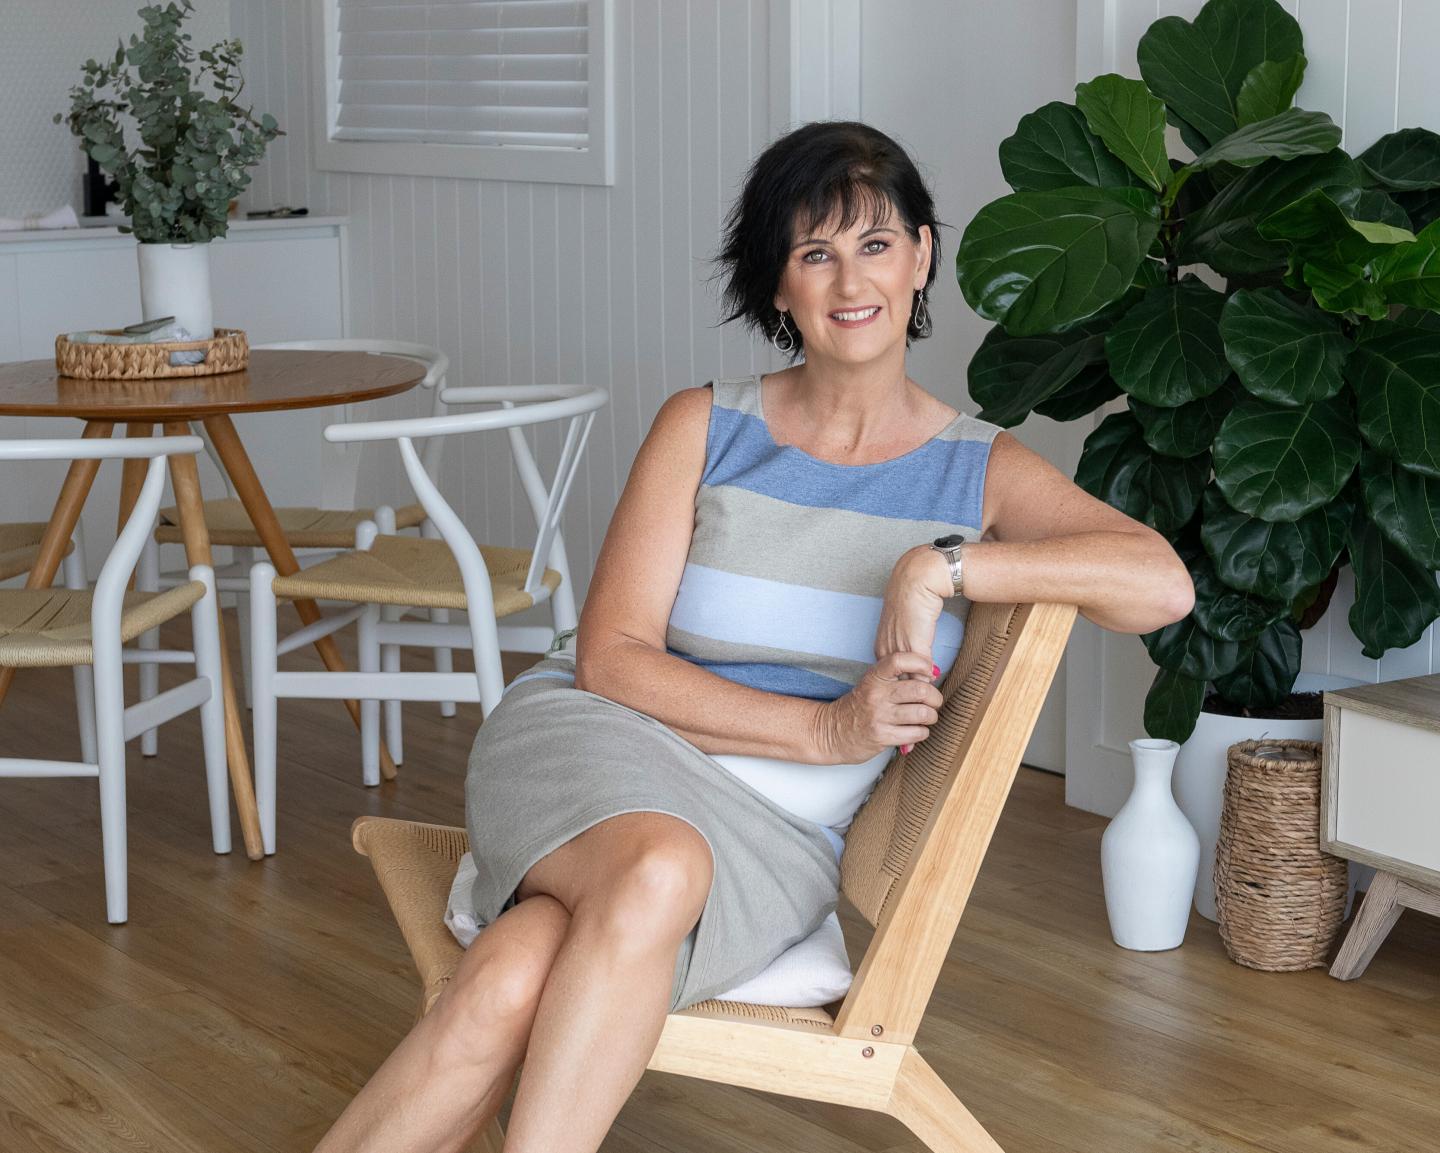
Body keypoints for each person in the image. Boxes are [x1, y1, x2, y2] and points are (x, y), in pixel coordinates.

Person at [314, 121, 1194, 1153]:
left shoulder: (978, 470)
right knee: (654, 865)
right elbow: (611, 659)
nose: (848, 278)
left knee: (510, 976)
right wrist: (826, 732)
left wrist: (941, 565)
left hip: (771, 845)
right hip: (596, 746)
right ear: (778, 288)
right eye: (813, 253)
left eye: (874, 243)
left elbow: (1160, 583)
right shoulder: (705, 425)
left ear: (920, 256)